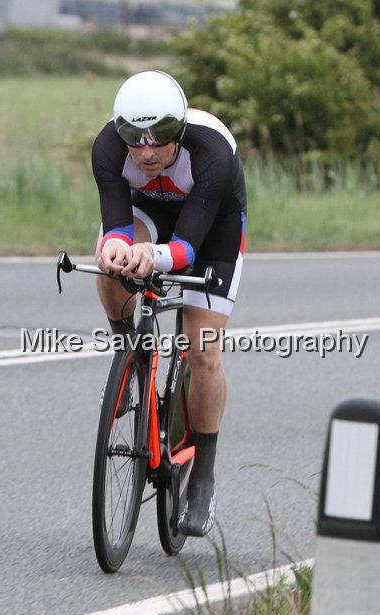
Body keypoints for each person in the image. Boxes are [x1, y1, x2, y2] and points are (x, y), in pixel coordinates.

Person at [90, 70, 247, 537]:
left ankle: (204, 474)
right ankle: (130, 355)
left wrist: (153, 255)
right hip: (148, 211)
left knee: (204, 352)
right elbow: (119, 226)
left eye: (159, 137)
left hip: (210, 225)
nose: (147, 151)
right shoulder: (106, 149)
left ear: (177, 129)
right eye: (134, 140)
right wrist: (120, 250)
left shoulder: (212, 150)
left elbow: (186, 248)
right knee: (107, 261)